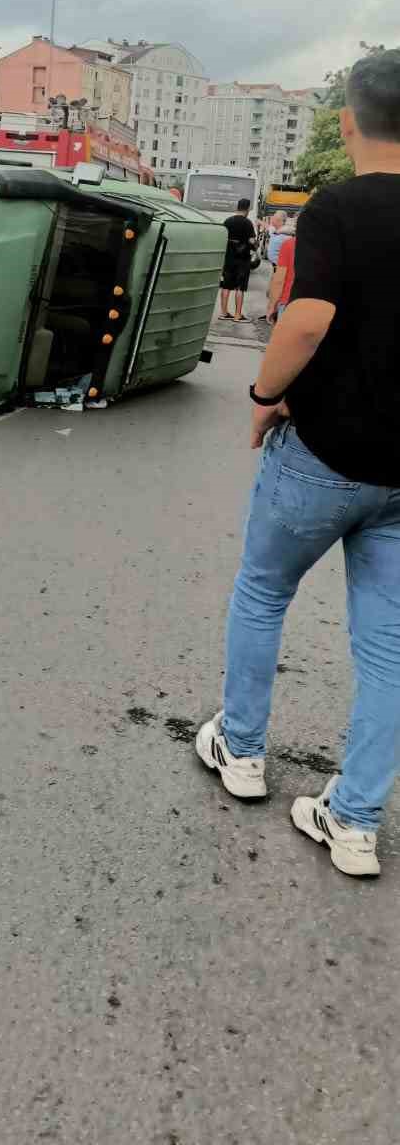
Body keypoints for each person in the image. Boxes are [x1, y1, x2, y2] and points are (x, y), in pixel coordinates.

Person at [196, 46, 400, 879]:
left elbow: (307, 320)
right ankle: (352, 821)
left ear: (348, 121)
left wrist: (263, 396)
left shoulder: (337, 208)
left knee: (264, 590)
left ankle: (241, 753)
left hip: (324, 456)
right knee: (389, 646)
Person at [219, 197, 256, 321]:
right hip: (243, 260)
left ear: (237, 207)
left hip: (228, 259)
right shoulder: (247, 223)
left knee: (226, 286)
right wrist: (255, 245)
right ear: (247, 209)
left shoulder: (227, 221)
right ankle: (237, 315)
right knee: (240, 287)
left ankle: (223, 313)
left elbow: (222, 238)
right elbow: (252, 241)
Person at [265, 228, 296, 323]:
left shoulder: (289, 244)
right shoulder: (329, 248)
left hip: (289, 301)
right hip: (318, 307)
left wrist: (271, 306)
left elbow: (279, 280)